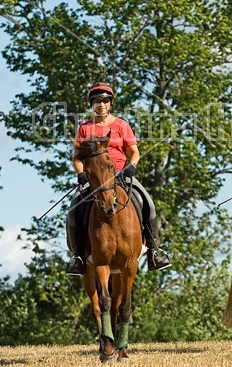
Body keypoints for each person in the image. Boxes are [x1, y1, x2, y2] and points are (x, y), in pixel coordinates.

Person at [66, 82, 171, 276]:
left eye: (105, 101)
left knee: (148, 203)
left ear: (110, 103)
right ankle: (78, 255)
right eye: (97, 101)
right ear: (92, 104)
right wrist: (80, 174)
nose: (101, 104)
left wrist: (131, 166)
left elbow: (134, 152)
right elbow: (77, 158)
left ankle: (155, 251)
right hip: (95, 179)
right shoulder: (85, 128)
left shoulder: (122, 125)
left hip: (121, 176)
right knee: (73, 209)